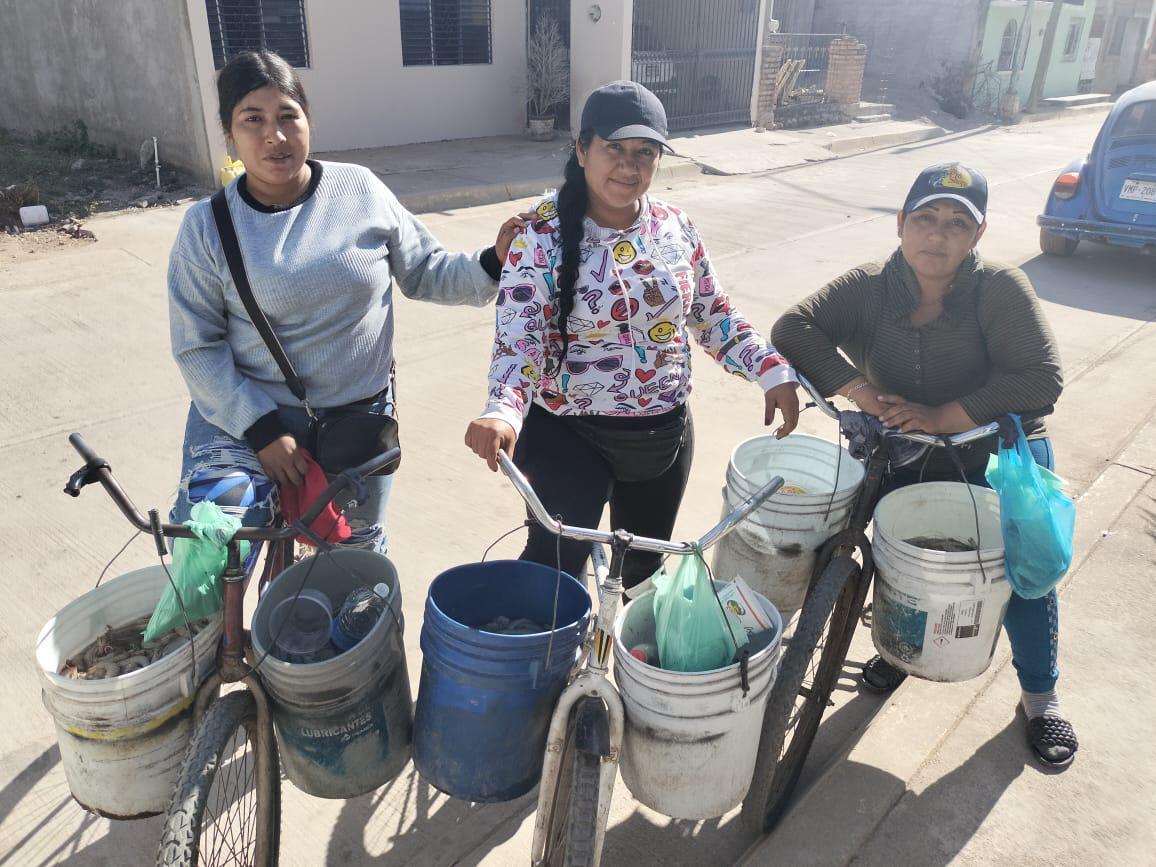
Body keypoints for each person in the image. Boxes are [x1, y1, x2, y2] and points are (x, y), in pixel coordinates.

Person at [771, 163, 1078, 767]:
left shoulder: (1000, 288)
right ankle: (898, 650)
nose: (937, 234)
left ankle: (1041, 699)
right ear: (901, 224)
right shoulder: (868, 286)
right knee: (897, 559)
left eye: (957, 223)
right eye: (925, 218)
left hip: (1000, 452)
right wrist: (860, 391)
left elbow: (1043, 378)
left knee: (1022, 574)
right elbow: (793, 327)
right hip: (906, 446)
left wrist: (943, 417)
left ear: (978, 234)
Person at [168, 50, 525, 553]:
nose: (275, 136)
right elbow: (197, 346)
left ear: (308, 120)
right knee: (211, 545)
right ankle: (218, 604)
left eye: (288, 116)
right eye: (253, 119)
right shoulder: (206, 227)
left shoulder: (359, 190)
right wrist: (261, 430)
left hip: (356, 424)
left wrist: (493, 260)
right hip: (242, 424)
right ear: (229, 132)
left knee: (353, 567)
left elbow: (426, 270)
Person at [464, 81, 800, 589]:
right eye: (614, 149)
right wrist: (502, 411)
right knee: (556, 568)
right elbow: (520, 338)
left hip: (659, 435)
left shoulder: (675, 227)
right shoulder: (538, 234)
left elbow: (712, 313)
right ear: (582, 150)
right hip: (566, 433)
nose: (629, 166)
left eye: (645, 152)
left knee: (643, 571)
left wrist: (770, 370)